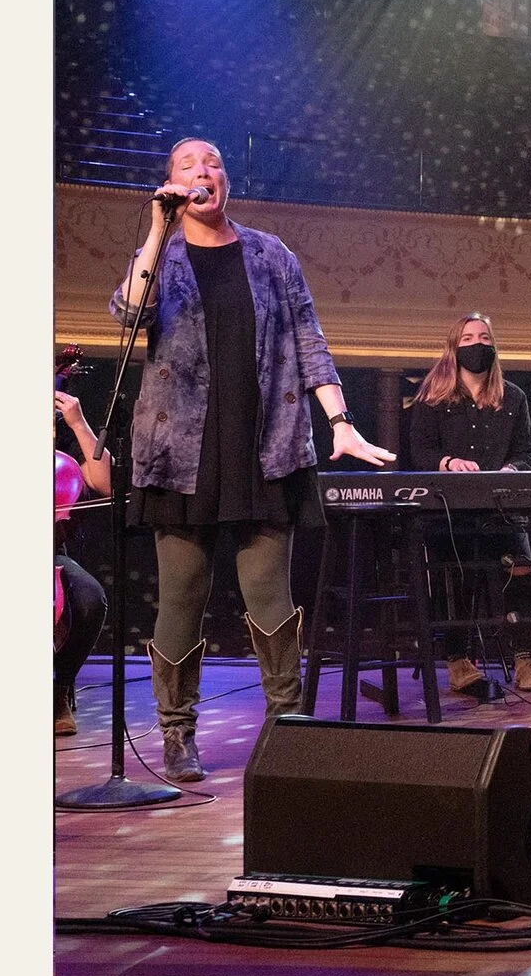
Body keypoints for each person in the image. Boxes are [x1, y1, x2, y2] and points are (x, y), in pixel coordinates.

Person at [113, 137, 396, 783]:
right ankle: (176, 733)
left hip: (265, 446)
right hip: (179, 453)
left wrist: (341, 423)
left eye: (212, 163)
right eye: (188, 165)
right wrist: (157, 229)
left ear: (226, 179)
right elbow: (129, 313)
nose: (202, 172)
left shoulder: (270, 255)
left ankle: (286, 727)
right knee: (181, 593)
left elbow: (309, 341)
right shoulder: (160, 256)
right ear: (171, 182)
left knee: (270, 592)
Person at [404, 311, 531, 698]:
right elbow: (420, 452)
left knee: (520, 573)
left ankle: (525, 660)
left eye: (484, 337)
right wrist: (449, 463)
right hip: (453, 512)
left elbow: (526, 453)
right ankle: (458, 661)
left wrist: (511, 469)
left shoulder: (513, 397)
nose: (477, 344)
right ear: (454, 348)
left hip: (503, 509)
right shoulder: (433, 398)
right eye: (467, 338)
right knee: (456, 579)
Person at [53, 386, 112, 737]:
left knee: (90, 600)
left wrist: (77, 423)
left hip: (50, 554)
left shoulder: (61, 441)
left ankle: (57, 691)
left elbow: (105, 483)